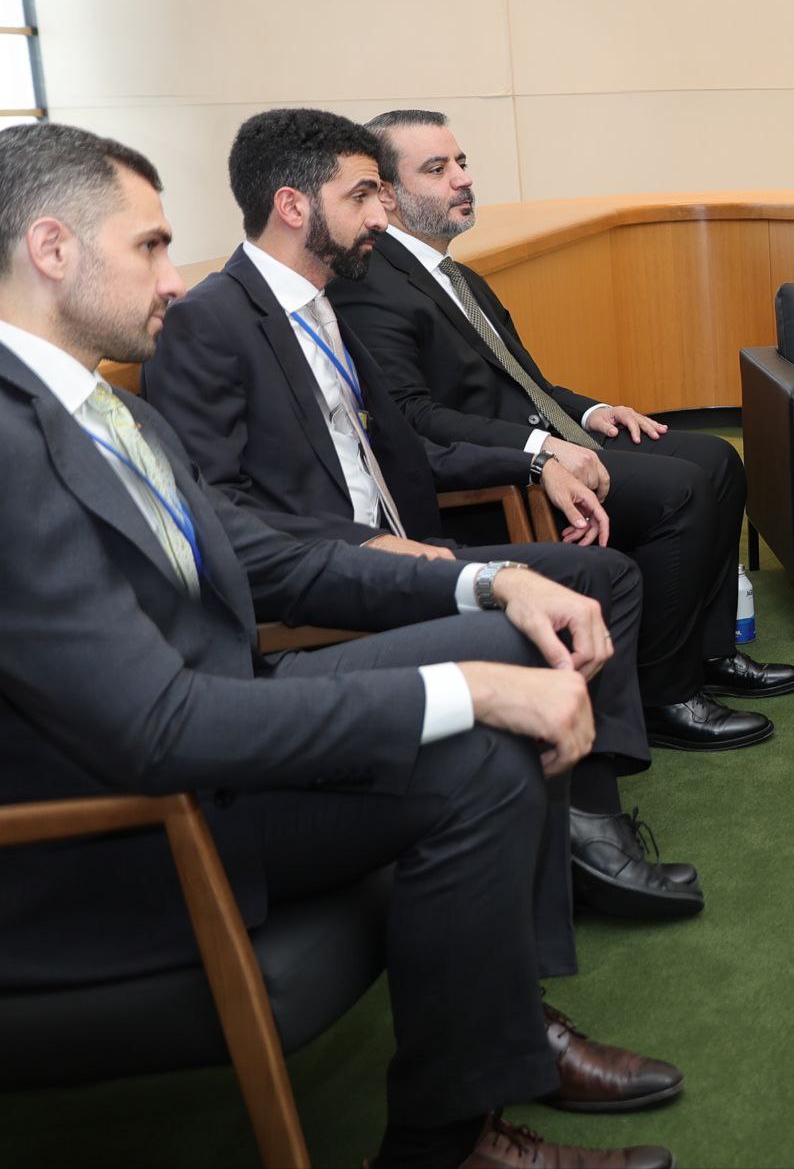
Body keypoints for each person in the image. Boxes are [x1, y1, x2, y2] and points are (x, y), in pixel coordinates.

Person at [0, 123, 677, 1169]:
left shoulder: (89, 405)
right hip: (126, 836)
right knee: (481, 732)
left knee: (512, 644)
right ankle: (454, 1135)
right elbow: (158, 726)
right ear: (52, 249)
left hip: (218, 727)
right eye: (148, 246)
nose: (175, 279)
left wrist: (491, 576)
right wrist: (465, 688)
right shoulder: (10, 441)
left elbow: (267, 564)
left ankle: (479, 1086)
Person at [144, 108, 703, 921]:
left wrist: (537, 459)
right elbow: (218, 513)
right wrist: (369, 546)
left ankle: (588, 819)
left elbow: (419, 443)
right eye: (364, 194)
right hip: (328, 579)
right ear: (295, 205)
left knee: (602, 576)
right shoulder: (211, 321)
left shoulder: (328, 305)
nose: (380, 214)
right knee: (537, 614)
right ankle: (584, 845)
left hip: (409, 544)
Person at [332, 109, 794, 750]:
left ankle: (708, 653)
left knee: (719, 460)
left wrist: (591, 412)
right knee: (679, 489)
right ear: (386, 192)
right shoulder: (371, 284)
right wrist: (540, 447)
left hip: (548, 435)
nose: (462, 179)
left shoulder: (451, 273)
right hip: (499, 471)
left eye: (461, 162)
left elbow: (526, 382)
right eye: (436, 170)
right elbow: (414, 418)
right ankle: (664, 695)